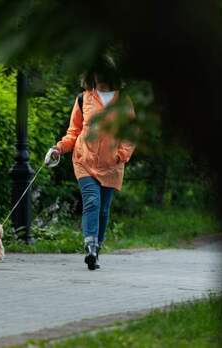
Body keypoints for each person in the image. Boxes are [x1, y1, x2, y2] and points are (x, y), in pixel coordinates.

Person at [44, 56, 136, 270]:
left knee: (103, 210)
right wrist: (58, 148)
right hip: (84, 160)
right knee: (92, 201)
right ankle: (90, 247)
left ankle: (97, 248)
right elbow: (73, 132)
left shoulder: (123, 101)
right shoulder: (83, 99)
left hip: (111, 165)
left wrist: (121, 154)